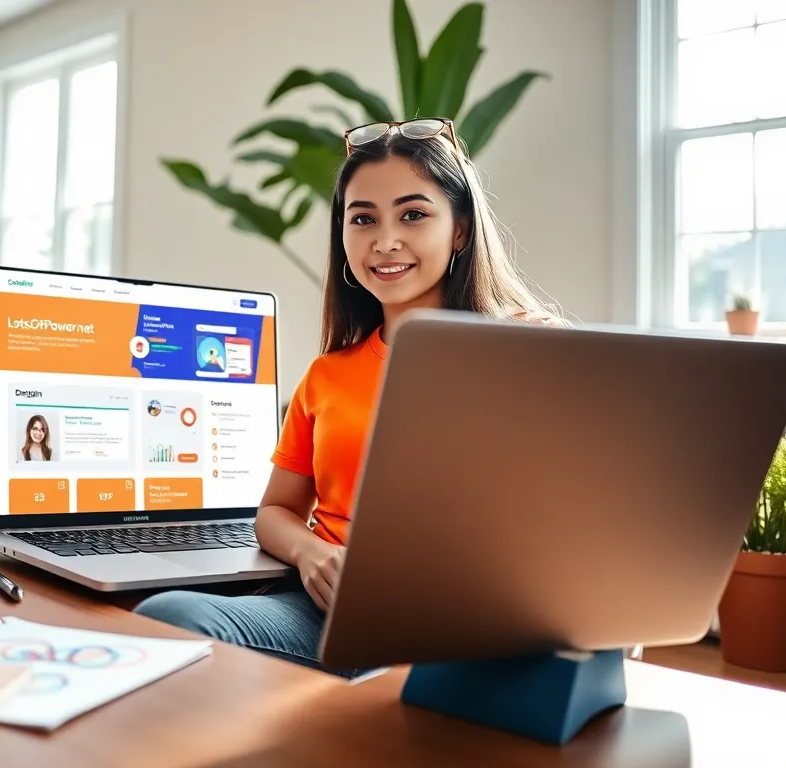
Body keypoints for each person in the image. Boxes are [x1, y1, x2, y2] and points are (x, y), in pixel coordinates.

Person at [133, 119, 564, 676]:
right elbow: (275, 511)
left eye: (413, 214)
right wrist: (312, 553)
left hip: (467, 621)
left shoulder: (525, 351)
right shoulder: (327, 376)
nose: (385, 241)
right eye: (362, 219)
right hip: (331, 614)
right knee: (168, 617)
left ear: (460, 229)